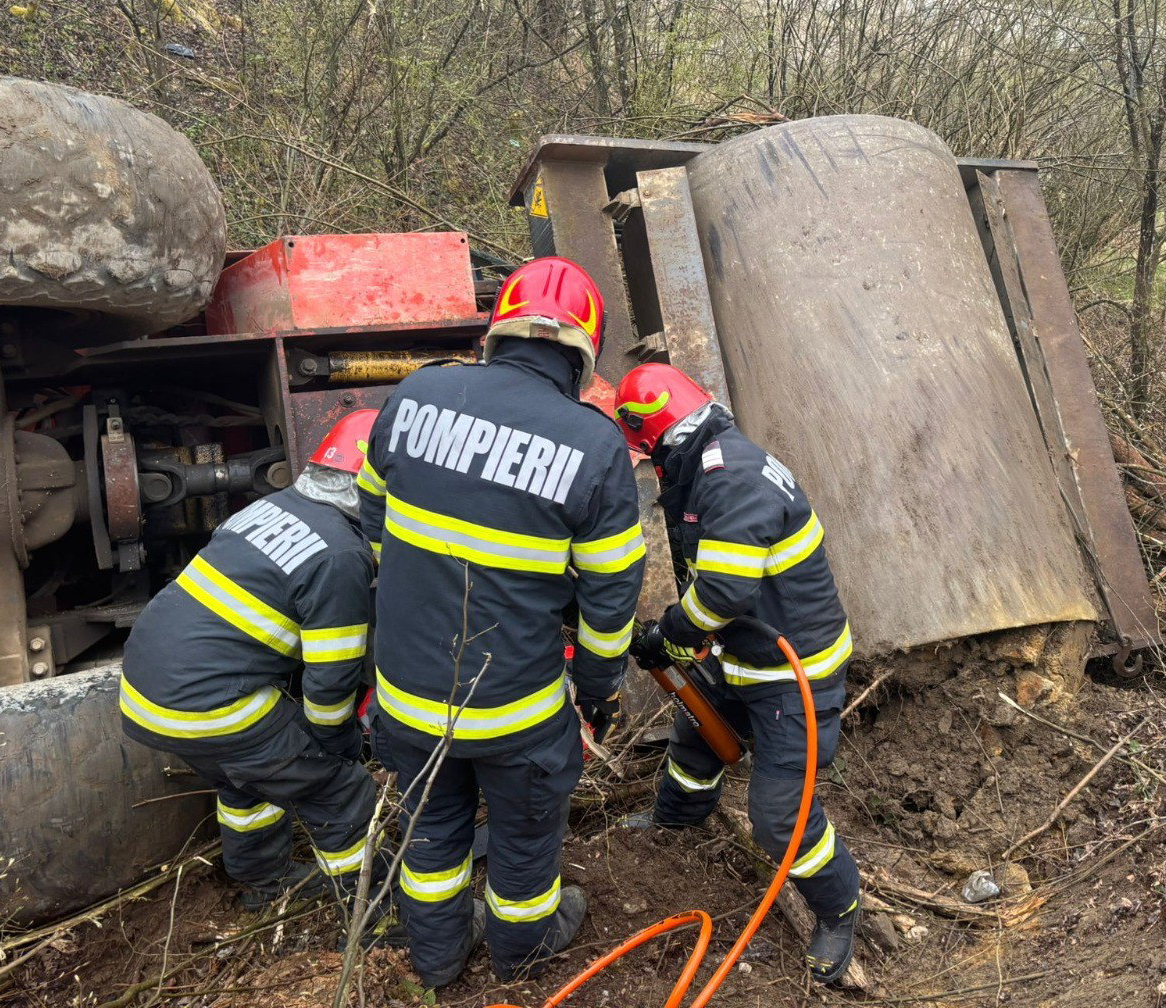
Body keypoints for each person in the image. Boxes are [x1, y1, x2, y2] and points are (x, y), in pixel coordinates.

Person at [356, 256, 644, 989]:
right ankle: (521, 953)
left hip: (407, 699)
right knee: (523, 840)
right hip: (517, 710)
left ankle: (438, 963)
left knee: (430, 836)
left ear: (497, 330)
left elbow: (373, 515)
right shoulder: (595, 446)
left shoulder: (416, 394)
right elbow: (611, 598)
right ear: (583, 352)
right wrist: (598, 690)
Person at [614, 362, 862, 984]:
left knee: (779, 816)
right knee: (697, 736)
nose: (651, 466)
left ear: (661, 438)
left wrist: (672, 633)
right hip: (748, 655)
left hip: (794, 673)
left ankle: (839, 907)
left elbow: (723, 591)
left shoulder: (730, 478)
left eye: (648, 454)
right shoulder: (711, 464)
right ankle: (678, 818)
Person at [120, 411, 379, 912]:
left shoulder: (270, 507)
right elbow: (330, 685)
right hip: (209, 705)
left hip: (144, 693)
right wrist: (340, 749)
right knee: (339, 791)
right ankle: (371, 909)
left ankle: (264, 885)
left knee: (247, 779)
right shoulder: (340, 555)